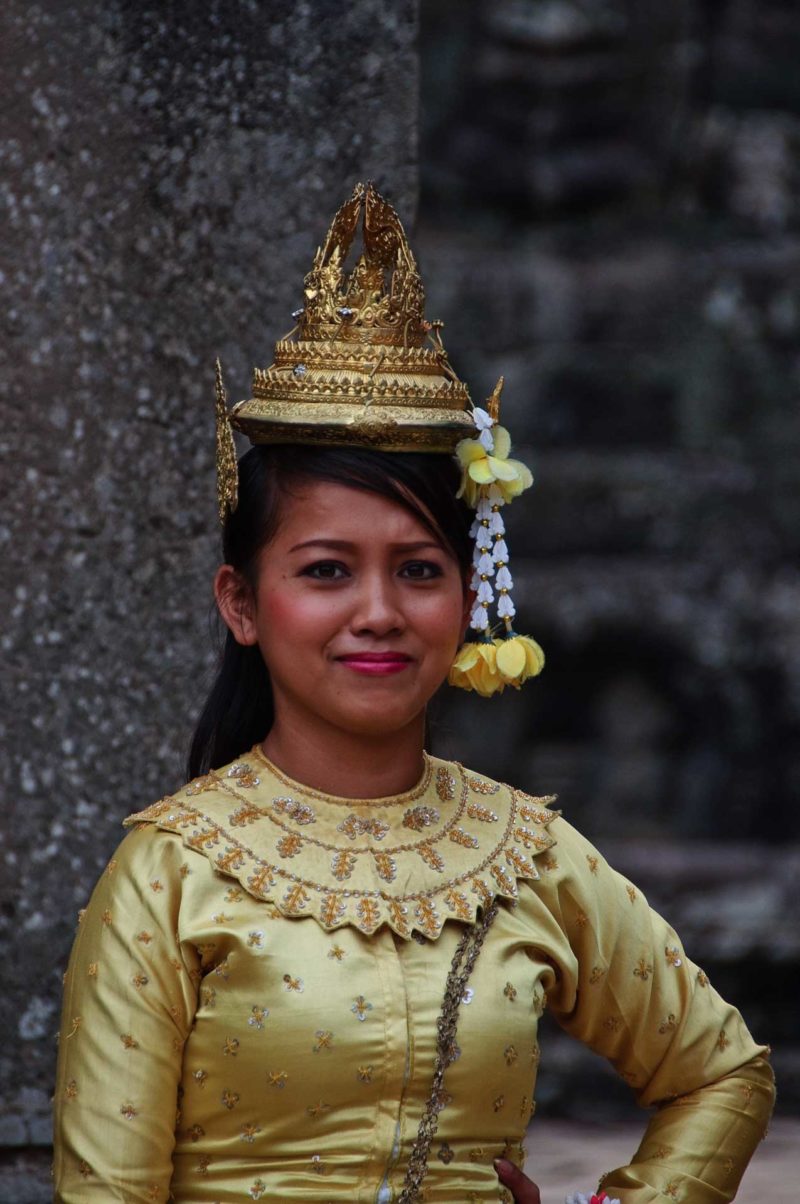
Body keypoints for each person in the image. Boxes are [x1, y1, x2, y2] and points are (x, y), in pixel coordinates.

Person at [53, 183, 774, 1204]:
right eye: (324, 570)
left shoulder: (527, 851)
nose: (380, 610)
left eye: (419, 570)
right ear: (241, 602)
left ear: (469, 594)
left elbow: (721, 1073)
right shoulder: (167, 875)